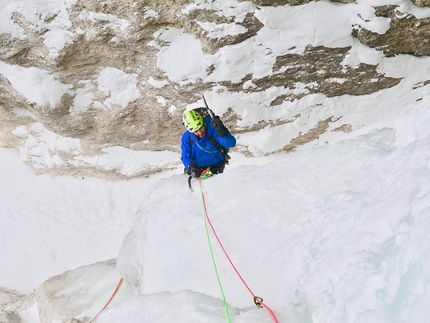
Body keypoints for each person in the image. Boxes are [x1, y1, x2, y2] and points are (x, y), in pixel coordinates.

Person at [181, 108, 236, 177]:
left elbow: (231, 143)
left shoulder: (214, 128)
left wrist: (221, 131)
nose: (200, 133)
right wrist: (190, 165)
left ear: (203, 123)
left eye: (201, 127)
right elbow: (185, 155)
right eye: (196, 131)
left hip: (216, 168)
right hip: (197, 170)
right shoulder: (187, 137)